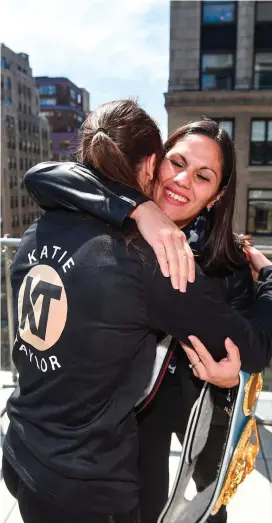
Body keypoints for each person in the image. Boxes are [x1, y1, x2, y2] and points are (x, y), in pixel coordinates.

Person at [3, 101, 272, 523]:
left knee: (195, 508)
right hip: (102, 451)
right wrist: (138, 208)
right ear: (152, 164)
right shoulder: (141, 251)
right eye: (176, 162)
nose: (182, 180)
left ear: (217, 196)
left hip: (143, 419)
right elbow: (42, 175)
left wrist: (231, 376)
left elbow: (244, 344)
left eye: (203, 176)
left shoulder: (47, 225)